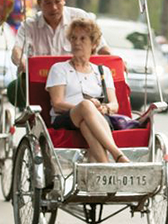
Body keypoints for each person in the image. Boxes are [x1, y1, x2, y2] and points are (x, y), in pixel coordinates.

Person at [8, 0, 111, 106]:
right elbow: (17, 50)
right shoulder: (29, 25)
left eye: (57, 1)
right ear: (39, 3)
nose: (54, 8)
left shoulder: (79, 17)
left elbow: (102, 47)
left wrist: (116, 62)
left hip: (77, 84)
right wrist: (22, 62)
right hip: (42, 85)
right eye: (48, 3)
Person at [46, 18, 129, 164]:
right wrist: (87, 107)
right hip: (66, 117)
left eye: (83, 38)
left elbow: (114, 105)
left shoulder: (103, 71)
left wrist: (104, 108)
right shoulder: (59, 68)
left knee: (86, 122)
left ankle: (106, 167)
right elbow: (57, 104)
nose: (77, 42)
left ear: (94, 44)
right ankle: (117, 154)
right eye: (73, 38)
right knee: (85, 106)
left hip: (99, 119)